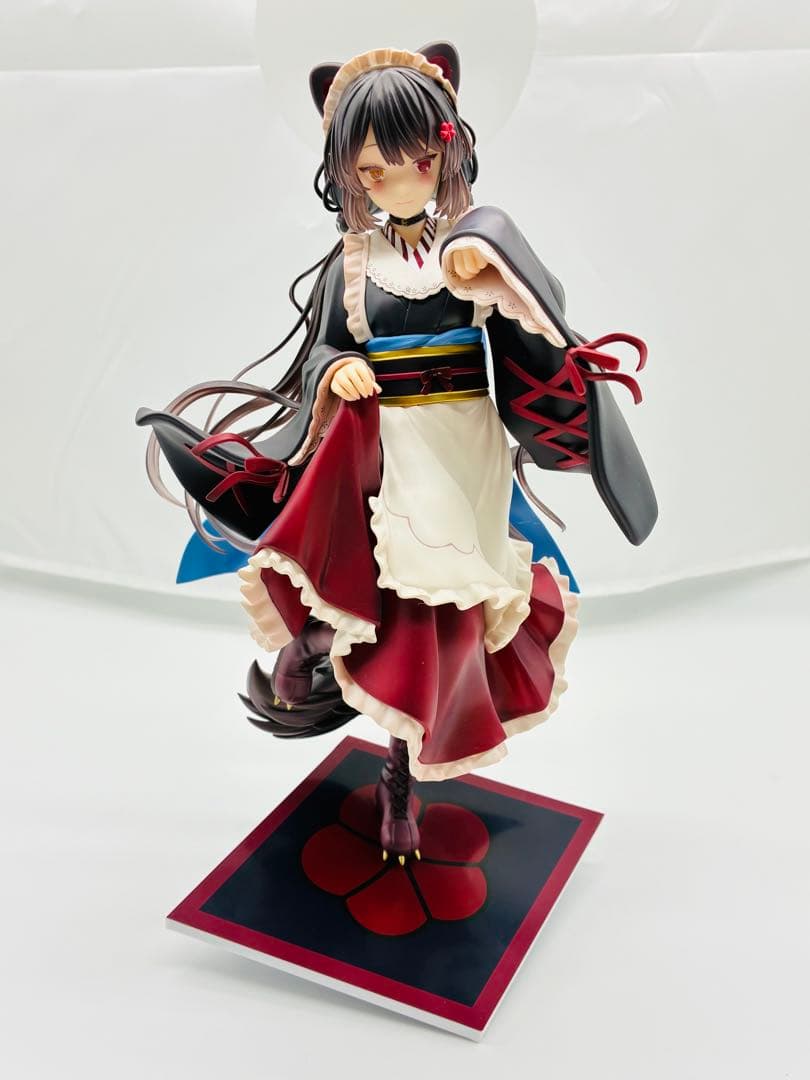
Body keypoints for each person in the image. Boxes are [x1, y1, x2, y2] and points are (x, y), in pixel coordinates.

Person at [137, 42, 656, 863]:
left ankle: (396, 769)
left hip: (464, 448)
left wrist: (503, 285)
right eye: (372, 171)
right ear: (351, 174)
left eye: (412, 161)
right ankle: (324, 661)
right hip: (385, 448)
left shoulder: (477, 248)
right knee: (387, 590)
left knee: (440, 616)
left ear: (445, 151)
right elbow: (322, 347)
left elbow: (543, 337)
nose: (395, 182)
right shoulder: (353, 264)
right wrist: (335, 369)